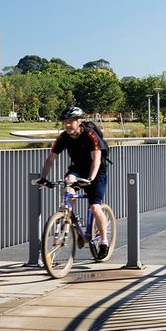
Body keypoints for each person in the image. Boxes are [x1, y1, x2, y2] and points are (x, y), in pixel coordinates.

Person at [37, 106, 110, 256]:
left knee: (95, 207)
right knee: (68, 181)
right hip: (77, 169)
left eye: (71, 121)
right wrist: (43, 178)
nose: (68, 125)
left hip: (96, 171)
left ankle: (104, 242)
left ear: (80, 121)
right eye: (66, 122)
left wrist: (90, 179)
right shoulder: (63, 137)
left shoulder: (90, 135)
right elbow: (50, 158)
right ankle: (68, 218)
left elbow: (96, 158)